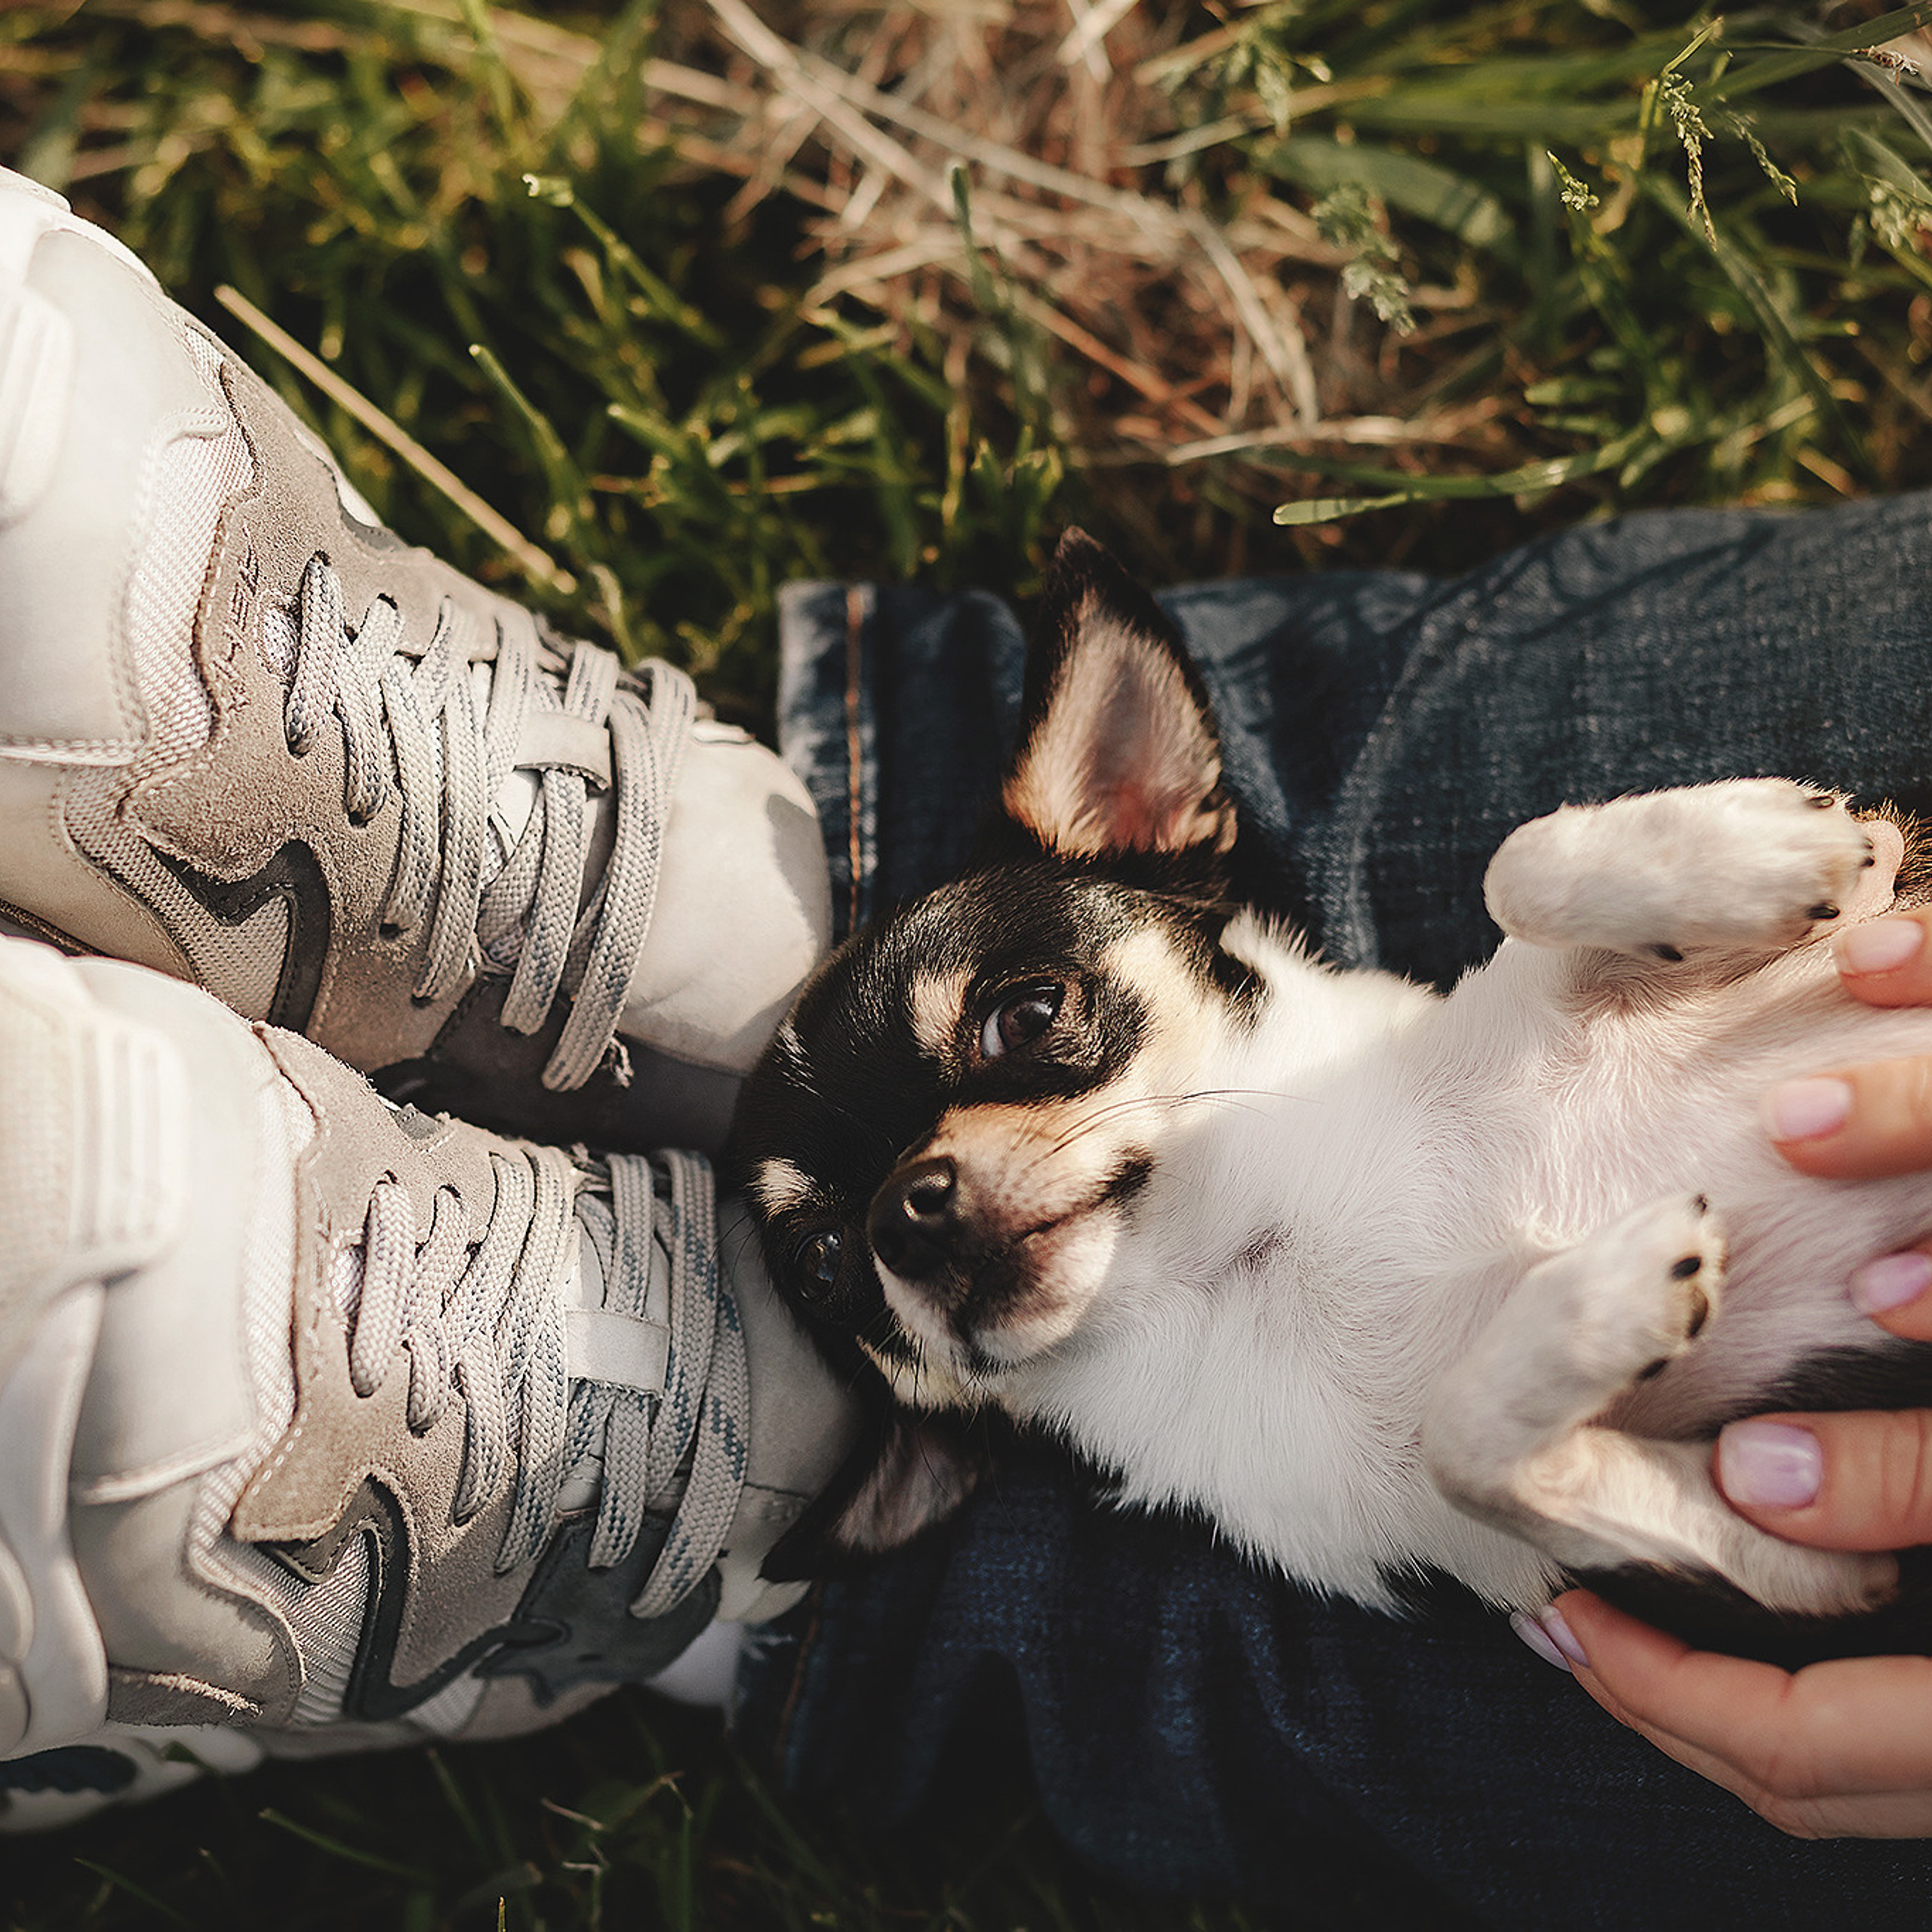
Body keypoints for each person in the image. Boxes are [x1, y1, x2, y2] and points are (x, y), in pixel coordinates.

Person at [1, 162, 1930, 1924]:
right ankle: (738, 922)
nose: (927, 1187)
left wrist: (1522, 1426)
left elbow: (1564, 1512)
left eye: (1019, 1024)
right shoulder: (1463, 1009)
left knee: (1472, 1653)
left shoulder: (1254, 1434)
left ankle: (672, 1501)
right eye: (866, 1237)